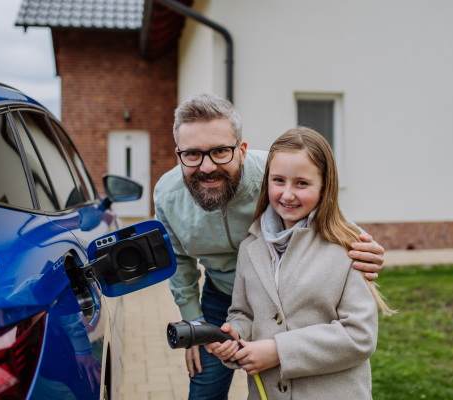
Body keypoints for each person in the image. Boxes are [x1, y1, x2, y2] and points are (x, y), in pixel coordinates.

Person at [153, 94, 386, 399]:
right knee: (205, 386)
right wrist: (195, 323)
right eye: (193, 154)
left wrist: (360, 244)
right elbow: (179, 261)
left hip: (296, 289)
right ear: (178, 154)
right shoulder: (167, 196)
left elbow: (322, 210)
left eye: (221, 151)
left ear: (242, 149)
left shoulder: (278, 172)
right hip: (224, 294)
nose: (207, 167)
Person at [206, 127, 395, 399]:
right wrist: (234, 336)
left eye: (302, 183)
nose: (288, 194)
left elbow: (360, 336)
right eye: (279, 180)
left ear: (324, 187)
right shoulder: (250, 248)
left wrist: (278, 351)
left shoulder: (348, 247)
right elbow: (243, 313)